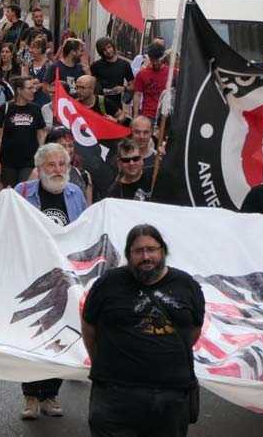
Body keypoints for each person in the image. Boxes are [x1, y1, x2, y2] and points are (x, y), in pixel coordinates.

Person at [82, 224, 205, 437]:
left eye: (151, 249)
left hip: (172, 397)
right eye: (138, 251)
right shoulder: (108, 283)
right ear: (129, 255)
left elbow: (194, 330)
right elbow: (89, 325)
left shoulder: (187, 285)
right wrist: (103, 361)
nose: (146, 256)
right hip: (114, 396)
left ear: (163, 251)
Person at [11, 143, 89, 420]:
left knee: (62, 334)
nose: (57, 170)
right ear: (40, 168)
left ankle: (51, 393)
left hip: (65, 277)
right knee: (33, 334)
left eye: (62, 165)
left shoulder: (76, 193)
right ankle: (31, 396)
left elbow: (84, 231)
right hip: (32, 275)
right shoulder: (22, 192)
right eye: (51, 165)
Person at [0, 76, 46, 187]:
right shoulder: (6, 108)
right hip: (8, 161)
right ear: (19, 90)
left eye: (34, 88)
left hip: (29, 160)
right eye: (30, 88)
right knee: (10, 192)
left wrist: (42, 156)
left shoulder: (36, 108)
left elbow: (41, 134)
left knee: (25, 190)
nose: (33, 91)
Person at [28, 127, 94, 204]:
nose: (68, 150)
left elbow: (88, 210)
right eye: (63, 146)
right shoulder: (38, 173)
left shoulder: (84, 175)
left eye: (71, 145)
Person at [133, 42, 175, 124]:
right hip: (148, 115)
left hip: (166, 116)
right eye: (152, 60)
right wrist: (135, 115)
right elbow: (137, 95)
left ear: (162, 57)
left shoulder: (173, 72)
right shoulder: (142, 74)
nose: (155, 63)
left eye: (157, 60)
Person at [90, 37, 135, 111]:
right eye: (104, 50)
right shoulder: (96, 65)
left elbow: (133, 85)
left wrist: (124, 88)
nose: (108, 51)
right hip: (99, 104)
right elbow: (88, 83)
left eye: (109, 47)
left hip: (116, 105)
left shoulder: (124, 64)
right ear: (101, 52)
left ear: (113, 46)